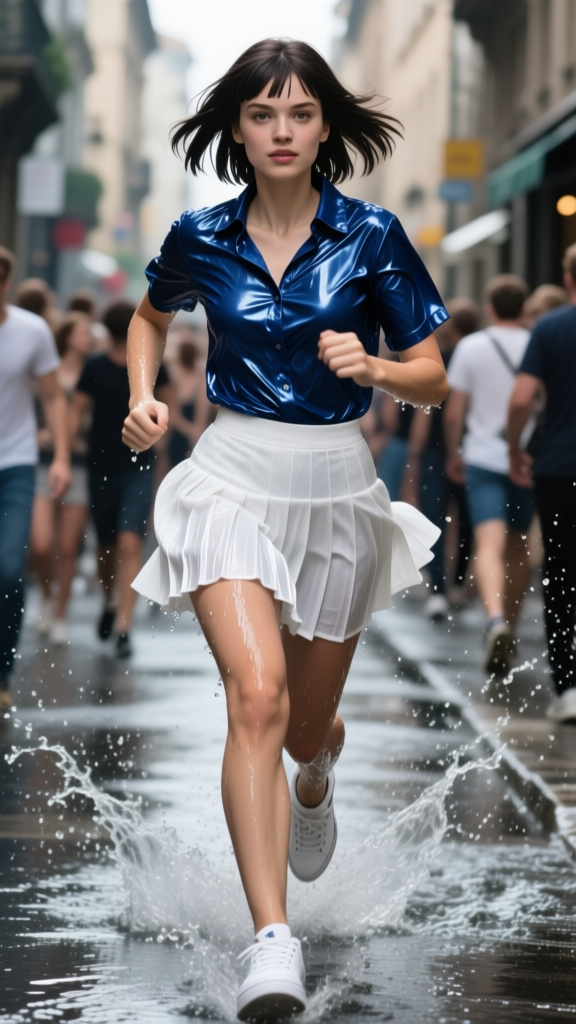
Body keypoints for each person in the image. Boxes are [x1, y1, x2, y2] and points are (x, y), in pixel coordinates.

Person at [122, 40, 449, 1020]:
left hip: (337, 487)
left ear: (324, 127)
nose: (281, 132)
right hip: (228, 473)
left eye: (300, 114)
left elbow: (431, 369)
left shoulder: (373, 235)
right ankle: (275, 942)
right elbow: (148, 316)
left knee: (302, 725)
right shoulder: (202, 234)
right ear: (236, 127)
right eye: (262, 115)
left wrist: (379, 367)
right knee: (254, 697)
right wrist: (142, 394)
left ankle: (319, 770)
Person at [71, 300, 172, 658]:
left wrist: (161, 464)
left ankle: (125, 627)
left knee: (130, 541)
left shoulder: (152, 368)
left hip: (138, 468)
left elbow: (166, 415)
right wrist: (70, 452)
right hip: (101, 466)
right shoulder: (95, 367)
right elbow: (77, 411)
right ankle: (110, 602)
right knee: (105, 546)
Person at [444, 275, 533, 676]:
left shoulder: (471, 346)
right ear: (523, 306)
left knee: (488, 543)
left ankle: (494, 620)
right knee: (520, 549)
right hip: (528, 460)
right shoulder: (537, 340)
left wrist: (453, 451)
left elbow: (455, 410)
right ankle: (508, 627)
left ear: (491, 307)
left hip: (481, 456)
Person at [508, 244, 576, 724]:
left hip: (559, 466)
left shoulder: (551, 328)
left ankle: (568, 687)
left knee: (561, 572)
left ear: (568, 277)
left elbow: (520, 399)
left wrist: (515, 446)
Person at [0, 247, 70, 708]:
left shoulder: (32, 332)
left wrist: (61, 456)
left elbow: (53, 396)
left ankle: (2, 673)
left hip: (16, 464)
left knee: (8, 569)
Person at [403, 298, 479, 619]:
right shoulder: (478, 358)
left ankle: (438, 589)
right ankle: (458, 582)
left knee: (434, 517)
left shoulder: (443, 360)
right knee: (467, 521)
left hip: (437, 451)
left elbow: (426, 411)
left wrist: (415, 454)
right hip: (473, 451)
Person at [31, 312, 93, 645]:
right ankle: (44, 592)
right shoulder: (47, 369)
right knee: (41, 544)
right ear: (67, 336)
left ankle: (59, 615)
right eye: (82, 332)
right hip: (42, 461)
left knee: (68, 547)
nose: (89, 337)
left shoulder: (94, 372)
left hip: (81, 465)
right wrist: (42, 434)